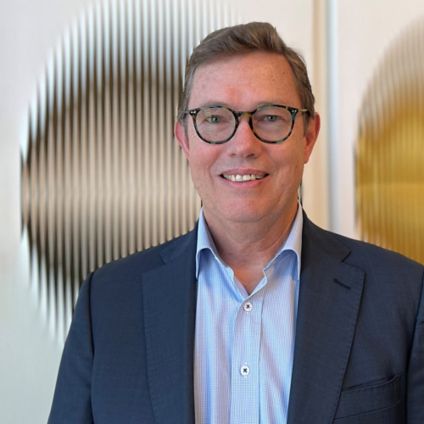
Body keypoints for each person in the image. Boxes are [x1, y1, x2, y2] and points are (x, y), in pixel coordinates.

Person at [48, 22, 424, 423]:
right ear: (184, 139)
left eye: (271, 117)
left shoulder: (403, 296)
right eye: (214, 118)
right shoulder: (107, 303)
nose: (243, 144)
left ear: (308, 136)